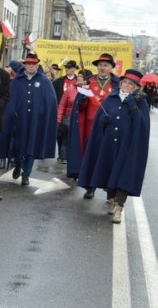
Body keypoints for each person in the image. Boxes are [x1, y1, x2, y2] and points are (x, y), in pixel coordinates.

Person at [77, 69, 151, 224]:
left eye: (131, 84)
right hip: (109, 143)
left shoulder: (140, 101)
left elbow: (142, 126)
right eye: (125, 82)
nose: (126, 85)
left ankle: (119, 207)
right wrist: (103, 121)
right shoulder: (111, 98)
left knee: (123, 174)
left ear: (136, 87)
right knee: (109, 171)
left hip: (127, 146)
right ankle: (111, 199)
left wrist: (133, 108)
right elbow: (101, 118)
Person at [7, 52, 57, 186]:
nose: (30, 66)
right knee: (18, 145)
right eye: (28, 63)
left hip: (36, 120)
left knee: (32, 146)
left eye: (33, 64)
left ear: (37, 65)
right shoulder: (17, 80)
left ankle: (26, 173)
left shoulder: (44, 81)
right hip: (19, 119)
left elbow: (51, 100)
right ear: (24, 65)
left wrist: (43, 112)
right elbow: (10, 97)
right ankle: (18, 164)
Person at [72, 55, 119, 198]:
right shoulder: (89, 82)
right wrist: (83, 96)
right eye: (100, 65)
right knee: (91, 155)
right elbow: (82, 106)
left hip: (110, 127)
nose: (102, 68)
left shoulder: (117, 84)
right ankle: (90, 186)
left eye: (105, 65)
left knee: (108, 157)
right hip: (91, 126)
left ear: (111, 68)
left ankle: (109, 188)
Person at [54, 60, 81, 162]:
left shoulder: (78, 82)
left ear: (74, 69)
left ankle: (64, 155)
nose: (67, 69)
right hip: (60, 110)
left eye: (69, 68)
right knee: (59, 134)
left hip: (71, 112)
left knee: (68, 135)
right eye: (66, 68)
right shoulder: (58, 81)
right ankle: (61, 152)